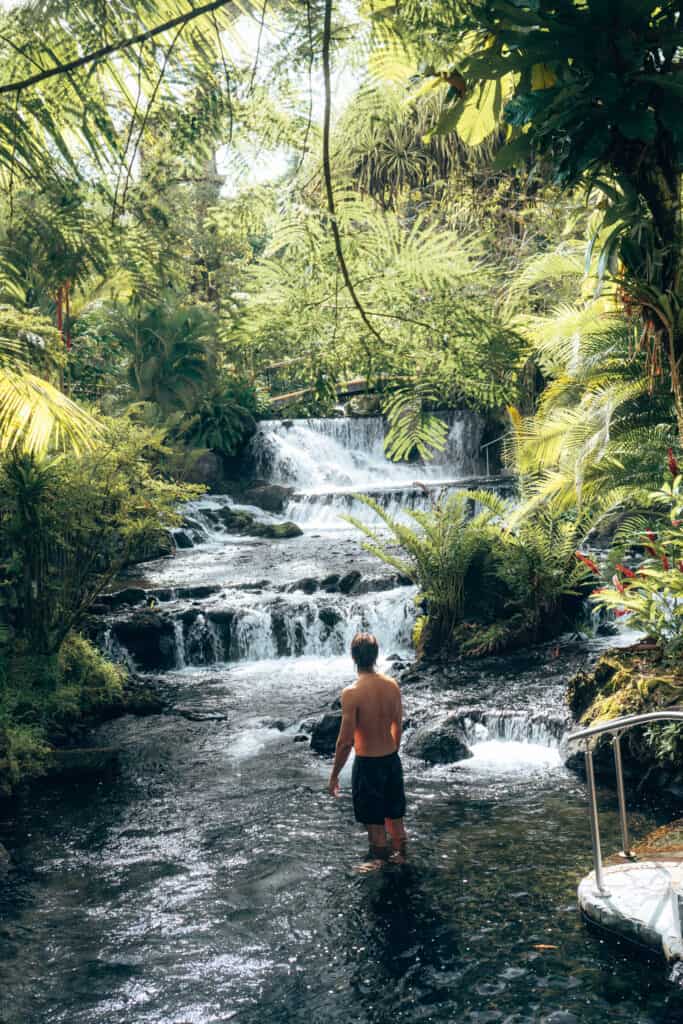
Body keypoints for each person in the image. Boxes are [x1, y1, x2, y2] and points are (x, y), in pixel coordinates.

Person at [328, 632, 407, 864]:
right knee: (396, 822)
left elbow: (345, 741)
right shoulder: (392, 685)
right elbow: (397, 727)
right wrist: (392, 754)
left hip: (368, 765)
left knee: (375, 829)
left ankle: (380, 868)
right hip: (391, 760)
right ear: (376, 656)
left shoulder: (352, 693)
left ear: (353, 657)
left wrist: (334, 776)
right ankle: (401, 860)